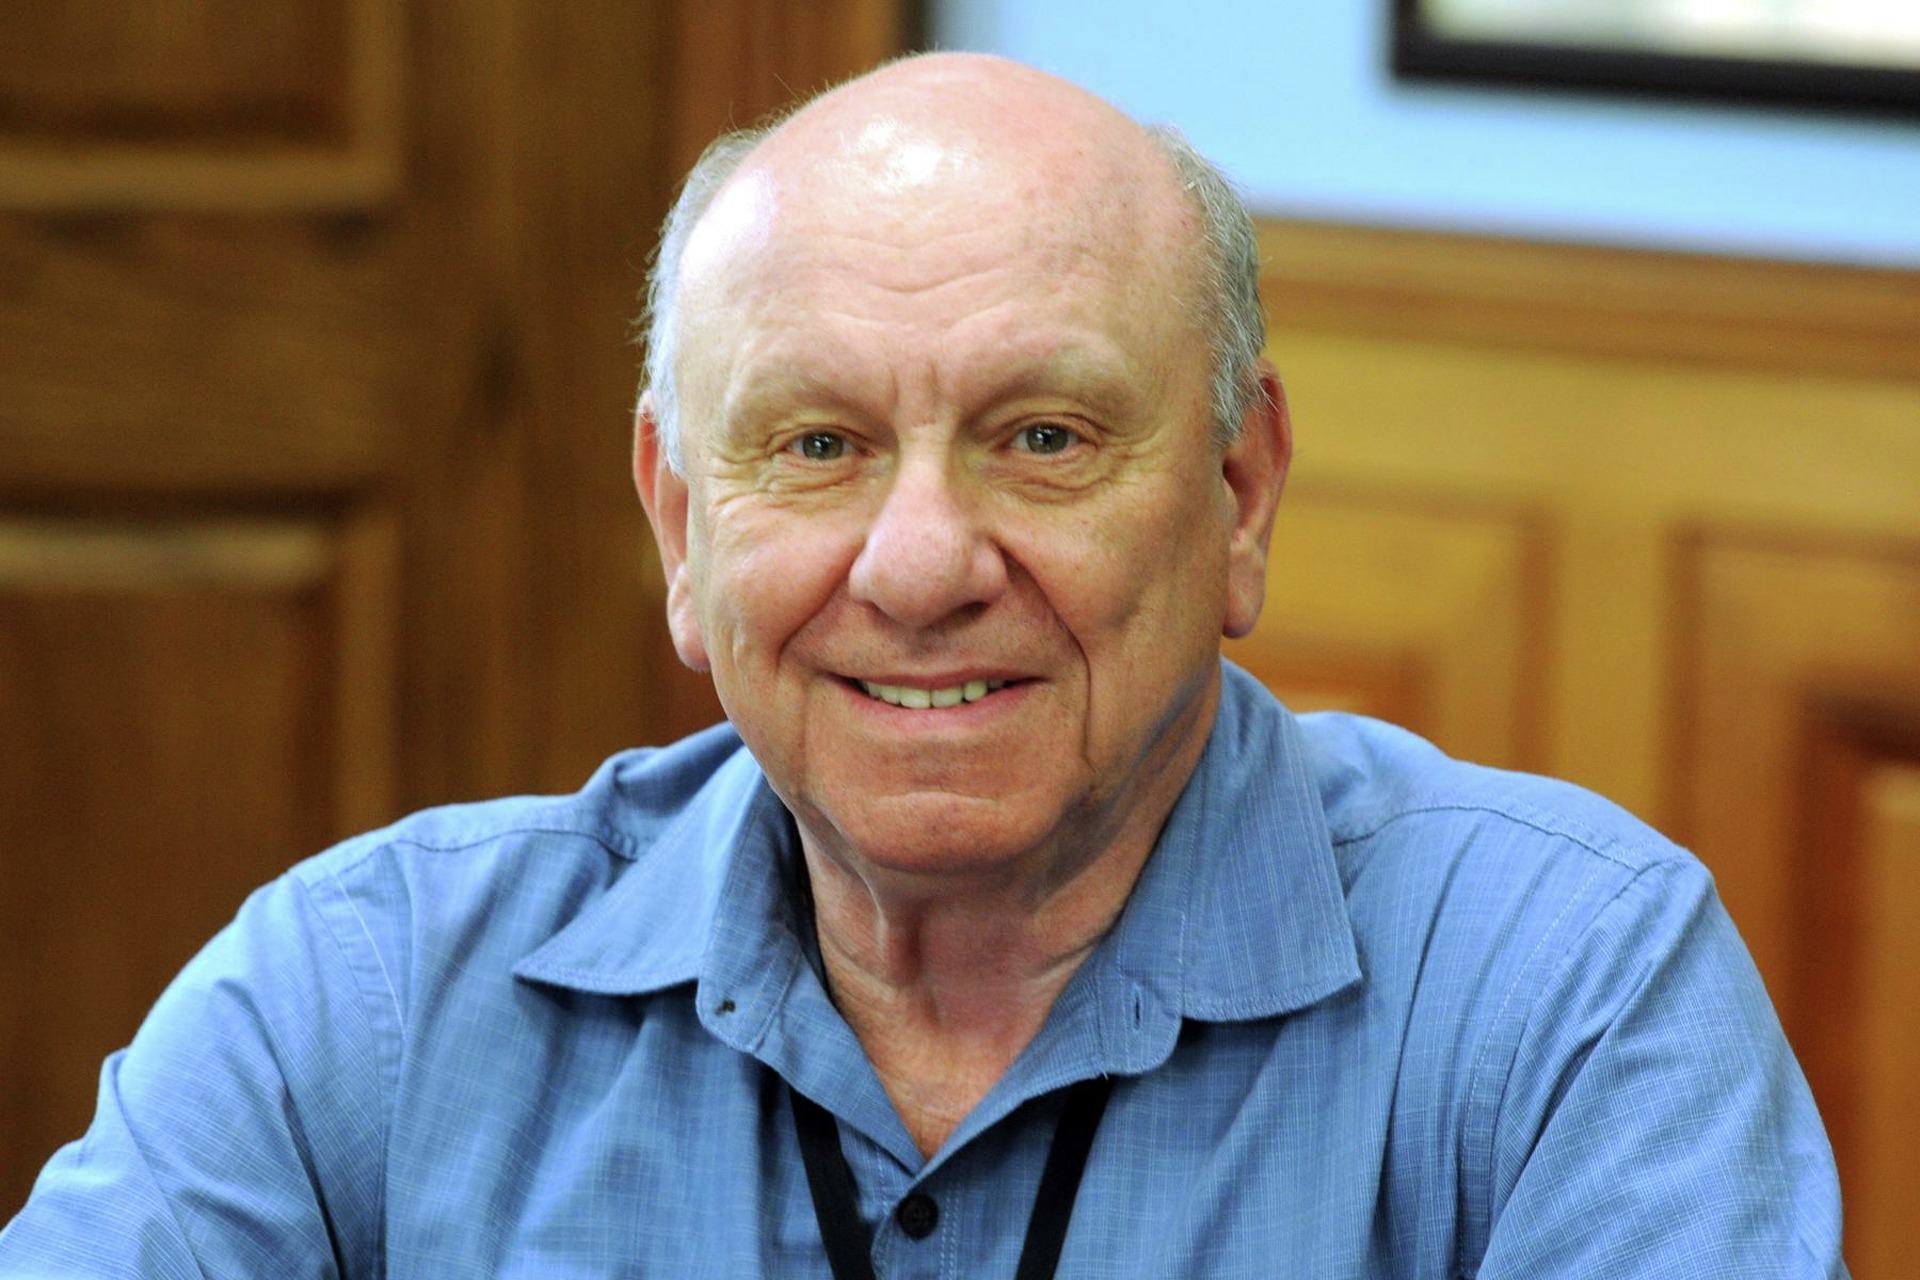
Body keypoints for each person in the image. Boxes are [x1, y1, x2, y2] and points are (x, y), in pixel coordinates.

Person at [1, 53, 1844, 1278]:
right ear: (679, 525)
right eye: (817, 446)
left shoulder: (1567, 1000)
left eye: (1044, 438)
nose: (920, 567)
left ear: (1238, 493)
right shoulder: (366, 1003)